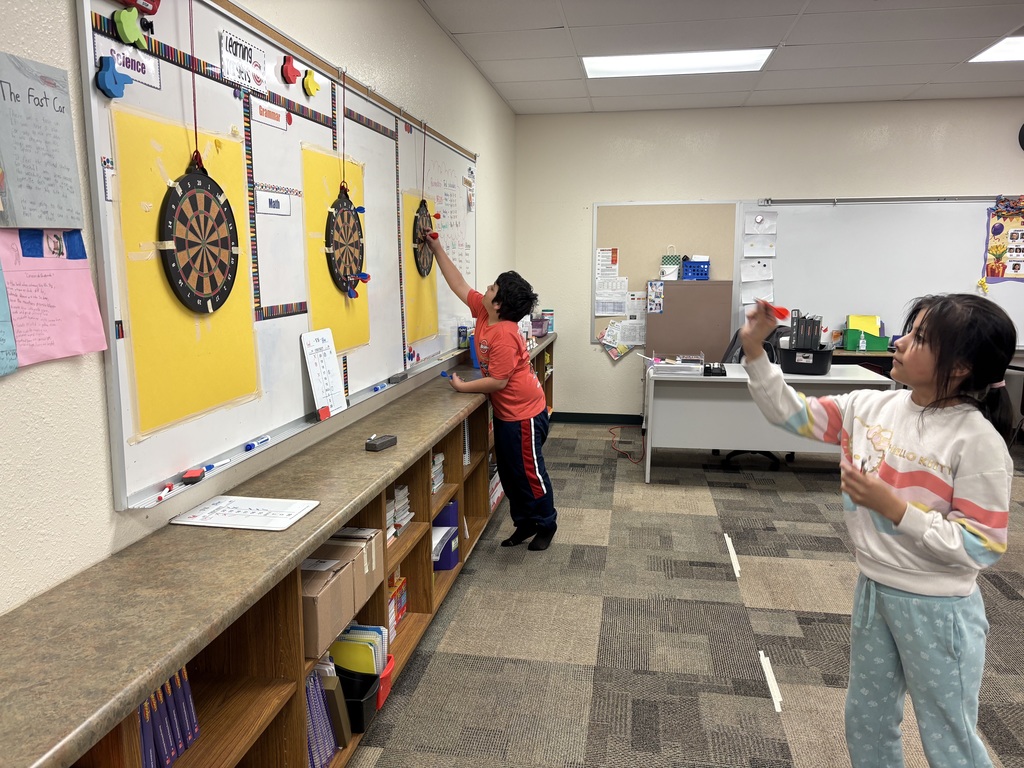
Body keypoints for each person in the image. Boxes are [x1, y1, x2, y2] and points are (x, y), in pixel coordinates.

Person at [739, 293, 1016, 768]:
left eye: (920, 338)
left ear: (960, 367)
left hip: (939, 608)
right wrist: (754, 350)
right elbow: (792, 414)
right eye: (909, 331)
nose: (899, 341)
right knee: (866, 720)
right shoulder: (868, 408)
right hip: (875, 589)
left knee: (948, 733)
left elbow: (981, 545)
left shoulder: (977, 441)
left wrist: (897, 509)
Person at [425, 235, 557, 551]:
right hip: (506, 414)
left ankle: (546, 523)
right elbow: (457, 283)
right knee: (512, 476)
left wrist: (463, 387)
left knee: (531, 474)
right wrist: (437, 248)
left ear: (498, 303)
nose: (487, 288)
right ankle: (525, 524)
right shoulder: (485, 312)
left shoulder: (506, 334)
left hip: (525, 416)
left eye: (493, 288)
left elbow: (497, 381)